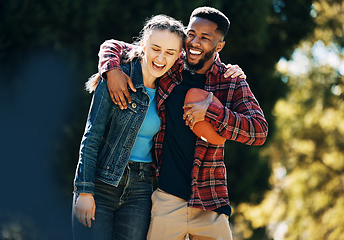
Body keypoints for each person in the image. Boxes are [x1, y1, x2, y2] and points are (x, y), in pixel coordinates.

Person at [97, 6, 268, 240]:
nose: (194, 42)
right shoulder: (169, 66)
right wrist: (112, 70)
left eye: (205, 38)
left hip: (211, 203)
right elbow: (113, 46)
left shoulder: (231, 81)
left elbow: (259, 131)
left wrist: (213, 110)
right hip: (166, 200)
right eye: (191, 33)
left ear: (219, 46)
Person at [72, 14, 186, 240]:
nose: (161, 58)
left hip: (140, 189)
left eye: (170, 53)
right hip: (100, 183)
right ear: (143, 45)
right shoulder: (117, 77)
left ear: (177, 57)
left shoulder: (171, 89)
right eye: (155, 48)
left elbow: (205, 63)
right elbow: (91, 136)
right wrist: (84, 190)